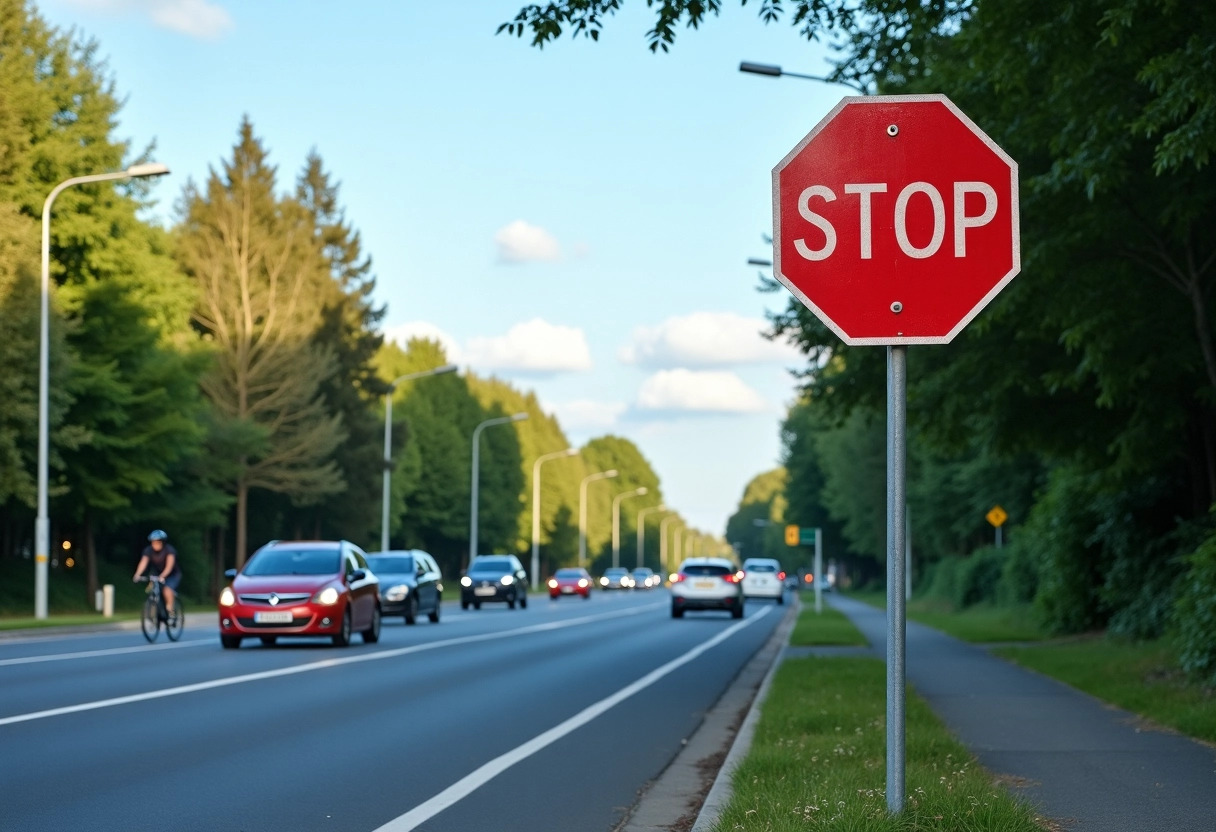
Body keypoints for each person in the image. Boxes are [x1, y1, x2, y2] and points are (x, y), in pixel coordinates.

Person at [133, 530, 181, 619]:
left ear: (163, 542)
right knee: (152, 588)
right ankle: (155, 609)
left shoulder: (169, 550)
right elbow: (143, 562)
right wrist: (137, 574)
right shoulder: (148, 550)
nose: (155, 544)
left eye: (158, 542)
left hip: (172, 574)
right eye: (153, 542)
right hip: (157, 574)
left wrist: (163, 576)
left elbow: (169, 566)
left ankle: (170, 609)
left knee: (167, 590)